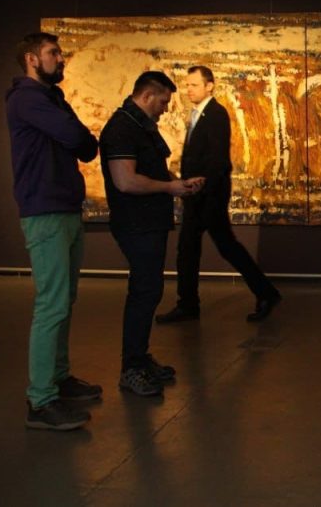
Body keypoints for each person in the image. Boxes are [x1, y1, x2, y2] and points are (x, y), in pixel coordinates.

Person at [7, 32, 101, 431]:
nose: (60, 59)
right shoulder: (26, 98)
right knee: (52, 304)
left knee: (65, 299)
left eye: (59, 52)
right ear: (32, 59)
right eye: (52, 53)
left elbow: (88, 148)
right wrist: (73, 133)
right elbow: (77, 137)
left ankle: (59, 379)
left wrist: (74, 133)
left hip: (64, 207)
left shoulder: (52, 98)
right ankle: (41, 400)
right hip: (44, 211)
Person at [100, 71, 204, 397]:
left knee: (149, 290)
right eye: (162, 102)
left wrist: (177, 183)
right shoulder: (121, 129)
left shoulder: (140, 126)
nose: (165, 108)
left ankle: (140, 359)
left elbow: (150, 170)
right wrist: (171, 188)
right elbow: (125, 181)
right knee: (144, 292)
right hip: (136, 223)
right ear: (146, 96)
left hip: (148, 222)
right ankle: (131, 367)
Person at [157, 66, 281, 324]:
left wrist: (201, 187)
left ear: (209, 86)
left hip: (207, 195)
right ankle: (191, 304)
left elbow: (218, 159)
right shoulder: (200, 114)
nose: (188, 89)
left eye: (194, 85)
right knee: (196, 248)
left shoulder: (215, 114)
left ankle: (263, 294)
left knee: (215, 247)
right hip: (198, 194)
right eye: (187, 85)